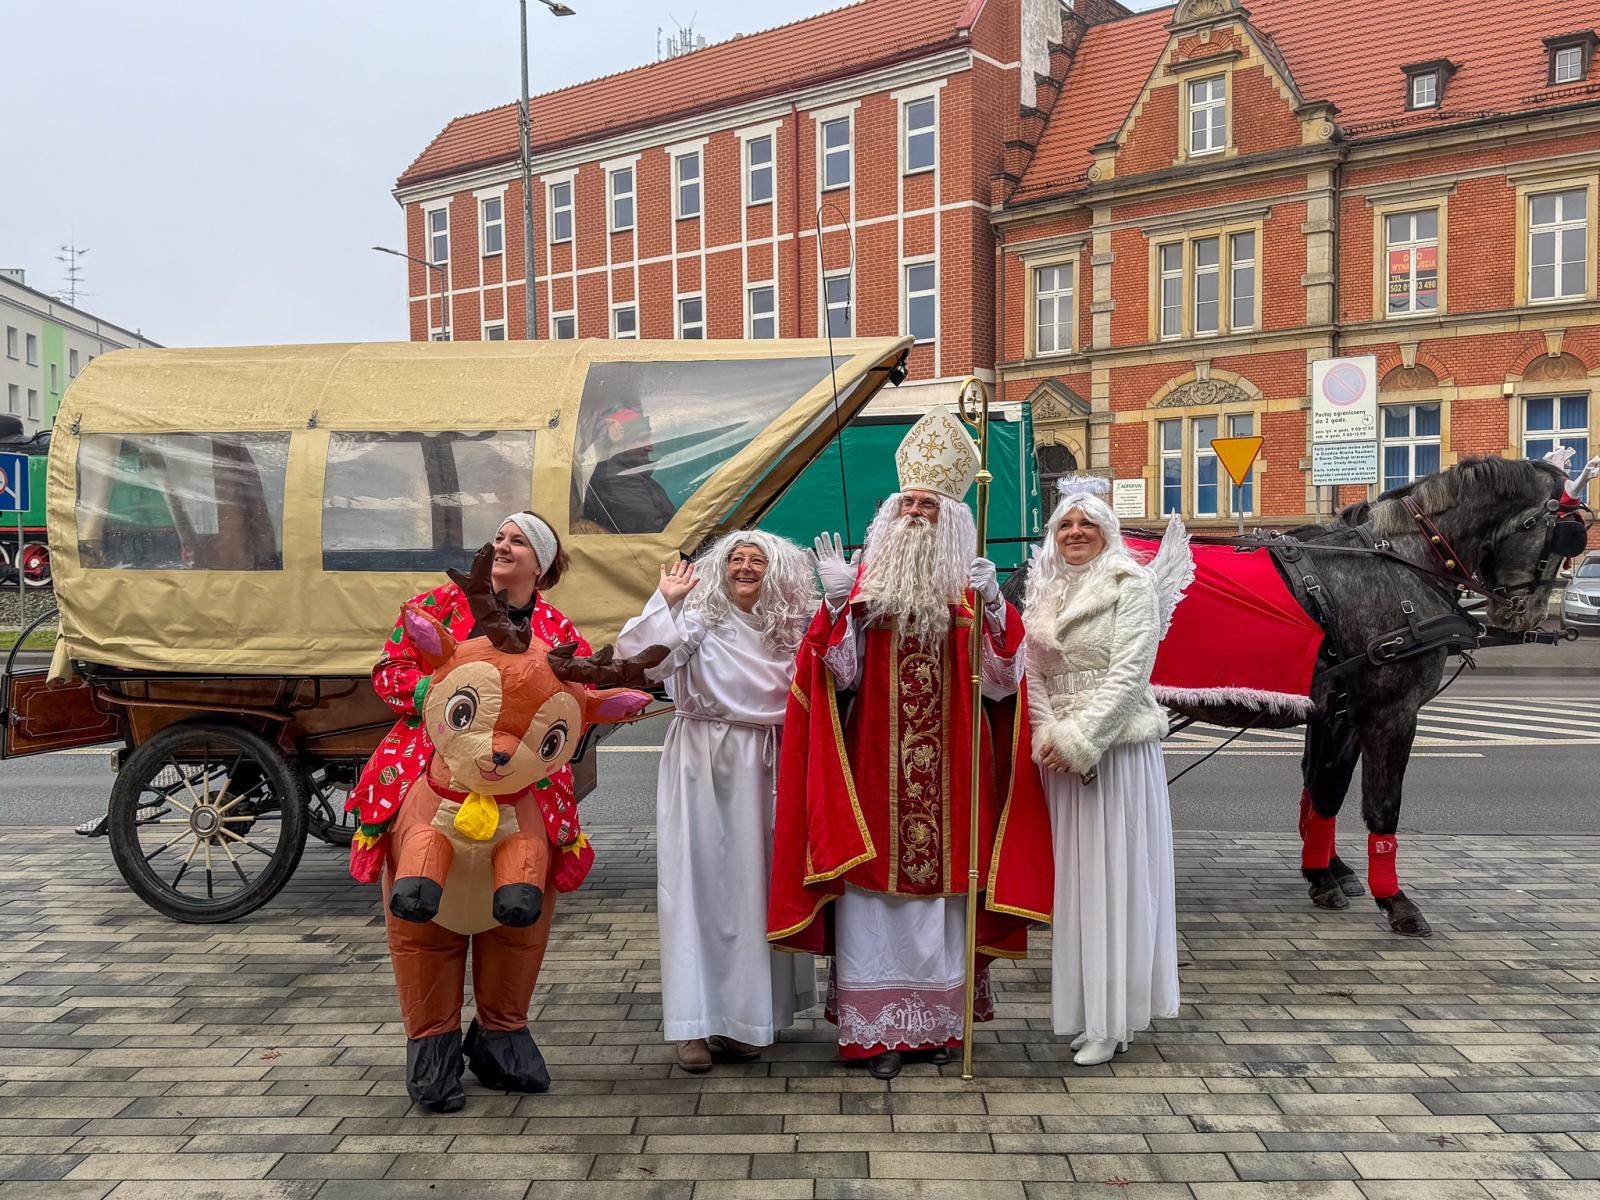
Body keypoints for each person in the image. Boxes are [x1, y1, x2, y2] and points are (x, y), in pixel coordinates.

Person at [767, 407, 1052, 1081]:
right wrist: (836, 612)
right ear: (890, 515)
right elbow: (836, 680)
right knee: (875, 902)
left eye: (931, 503)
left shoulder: (970, 593)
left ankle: (936, 1029)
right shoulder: (865, 592)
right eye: (910, 502)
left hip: (956, 775)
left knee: (943, 905)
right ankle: (877, 1036)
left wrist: (999, 614)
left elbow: (1004, 686)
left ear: (954, 518)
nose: (919, 512)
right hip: (874, 775)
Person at [615, 531, 820, 1072]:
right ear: (719, 568)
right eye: (737, 559)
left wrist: (842, 603)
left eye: (758, 560)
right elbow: (639, 660)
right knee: (698, 886)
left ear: (775, 571)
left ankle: (754, 1018)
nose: (746, 567)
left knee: (759, 886)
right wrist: (667, 602)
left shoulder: (788, 628)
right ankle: (697, 1024)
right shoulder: (698, 618)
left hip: (769, 763)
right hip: (702, 758)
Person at [345, 511, 596, 893]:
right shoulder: (439, 604)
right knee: (396, 784)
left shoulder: (558, 630)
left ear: (539, 566)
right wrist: (432, 693)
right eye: (499, 537)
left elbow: (582, 700)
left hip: (519, 756)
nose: (501, 546)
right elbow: (389, 668)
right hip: (439, 737)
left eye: (517, 541)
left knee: (552, 805)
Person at [1023, 478, 1184, 1067]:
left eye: (1086, 524)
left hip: (1114, 752)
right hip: (1063, 760)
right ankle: (1089, 1010)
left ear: (1106, 531)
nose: (1075, 533)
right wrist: (1048, 736)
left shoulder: (1130, 583)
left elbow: (1131, 670)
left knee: (1113, 884)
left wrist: (1083, 738)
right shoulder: (1044, 593)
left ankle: (1114, 1020)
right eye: (1065, 525)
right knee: (1079, 889)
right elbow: (1033, 673)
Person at [582, 405, 676, 533]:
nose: (650, 447)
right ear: (620, 445)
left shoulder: (632, 476)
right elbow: (653, 531)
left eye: (649, 437)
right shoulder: (617, 482)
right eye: (642, 439)